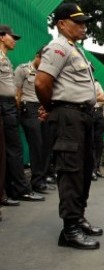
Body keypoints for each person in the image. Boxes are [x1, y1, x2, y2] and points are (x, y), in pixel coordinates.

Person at [35, 3, 102, 250]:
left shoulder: (75, 49)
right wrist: (52, 108)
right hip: (68, 117)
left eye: (84, 22)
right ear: (62, 24)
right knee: (71, 172)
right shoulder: (58, 47)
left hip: (82, 117)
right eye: (78, 22)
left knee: (84, 170)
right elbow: (42, 83)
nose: (83, 26)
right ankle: (69, 230)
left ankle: (79, 218)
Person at [0, 25, 45, 203]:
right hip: (4, 105)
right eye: (12, 37)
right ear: (2, 37)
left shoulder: (5, 58)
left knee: (11, 150)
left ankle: (11, 189)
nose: (15, 41)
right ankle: (19, 189)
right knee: (13, 149)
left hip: (9, 106)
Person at [15, 47, 56, 194]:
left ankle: (41, 179)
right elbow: (17, 92)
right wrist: (17, 111)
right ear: (37, 56)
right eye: (44, 60)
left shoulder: (47, 74)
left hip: (44, 108)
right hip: (28, 109)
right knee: (37, 145)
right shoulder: (23, 69)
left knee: (46, 145)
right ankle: (37, 181)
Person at [91, 80, 104, 181]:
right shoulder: (83, 82)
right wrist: (96, 97)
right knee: (90, 142)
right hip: (88, 112)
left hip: (98, 113)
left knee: (99, 143)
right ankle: (91, 169)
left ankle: (97, 168)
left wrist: (91, 98)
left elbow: (103, 98)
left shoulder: (96, 83)